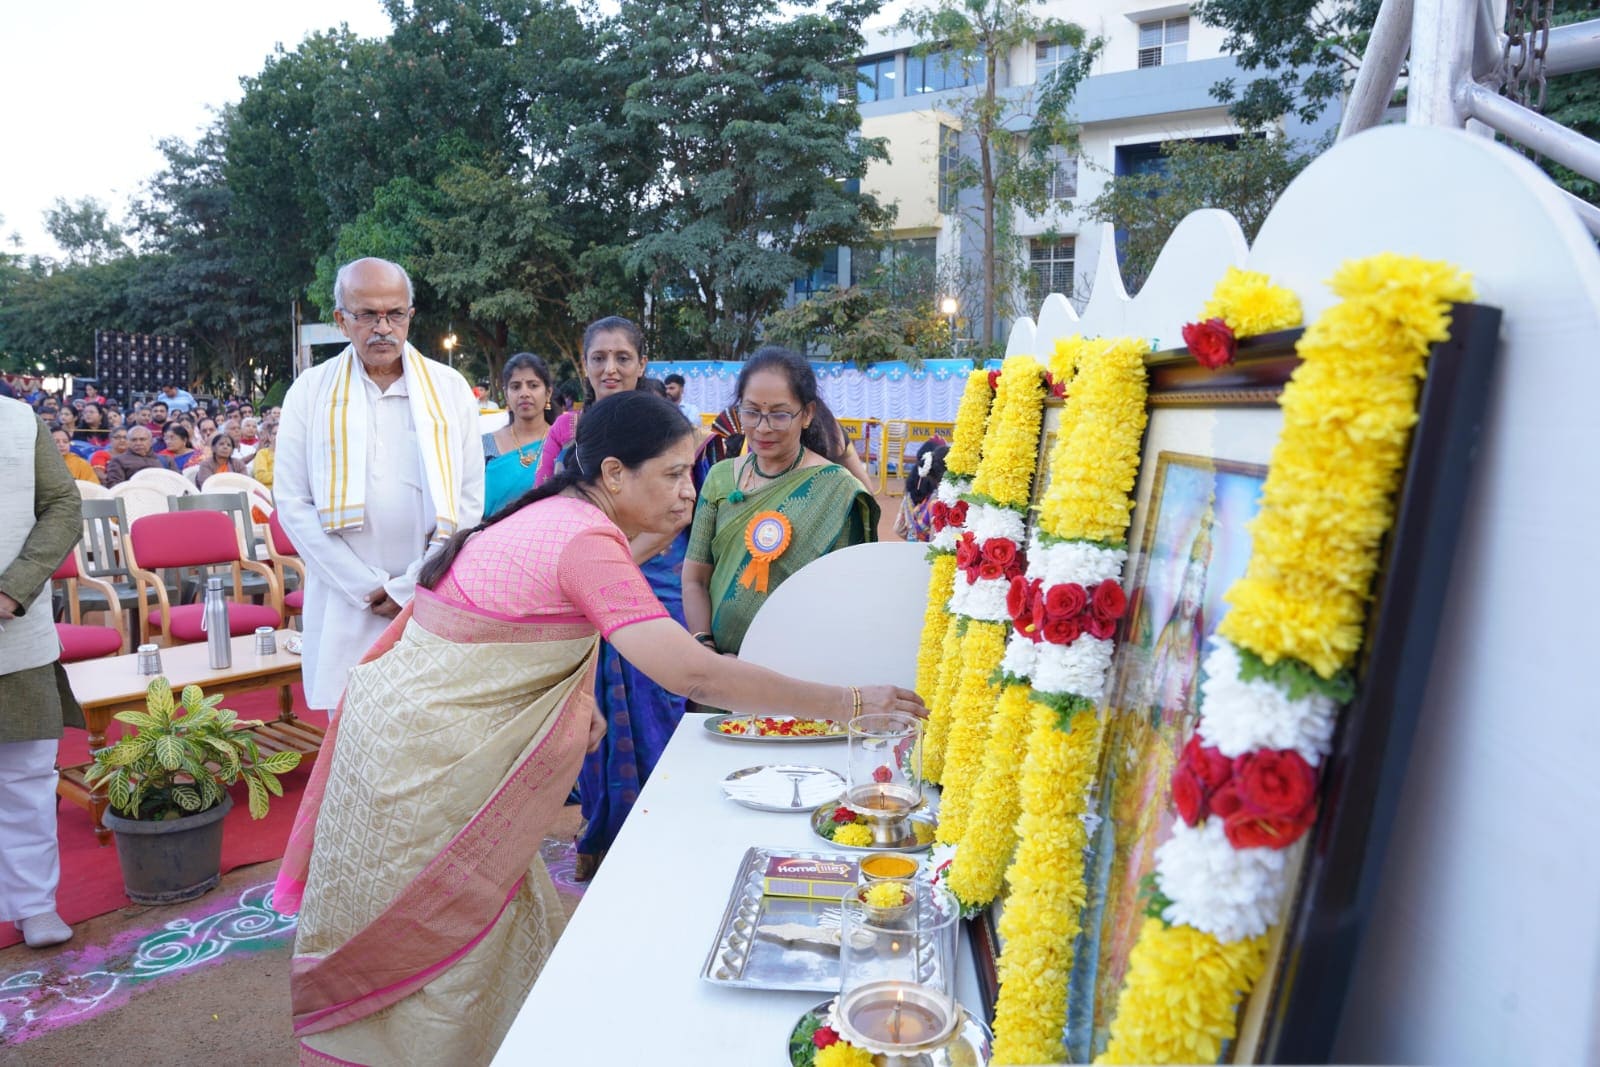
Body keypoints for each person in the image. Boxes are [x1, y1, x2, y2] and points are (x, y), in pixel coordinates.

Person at [274, 391, 924, 1064]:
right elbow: (695, 675)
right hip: (427, 772)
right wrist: (850, 702)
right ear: (615, 473)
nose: (689, 490)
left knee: (485, 935)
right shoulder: (584, 540)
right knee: (439, 960)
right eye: (673, 473)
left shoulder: (563, 515)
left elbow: (562, 607)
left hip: (401, 745)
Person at [274, 257, 484, 711]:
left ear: (411, 315)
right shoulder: (310, 392)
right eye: (367, 314)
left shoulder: (449, 389)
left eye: (395, 314)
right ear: (341, 320)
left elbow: (468, 501)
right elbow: (292, 502)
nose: (383, 328)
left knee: (428, 725)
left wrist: (411, 585)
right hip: (345, 599)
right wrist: (363, 586)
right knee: (351, 727)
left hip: (427, 595)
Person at [530, 318, 684, 880]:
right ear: (585, 363)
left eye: (622, 357)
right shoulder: (568, 432)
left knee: (657, 707)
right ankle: (600, 833)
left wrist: (612, 570)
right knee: (592, 720)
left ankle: (661, 837)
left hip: (651, 583)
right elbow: (546, 505)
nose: (610, 368)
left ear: (642, 363)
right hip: (583, 593)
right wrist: (587, 579)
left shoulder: (664, 427)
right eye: (599, 357)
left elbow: (678, 511)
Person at [683, 346, 880, 658]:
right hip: (717, 667)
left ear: (808, 414)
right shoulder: (720, 478)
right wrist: (706, 648)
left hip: (795, 665)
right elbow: (695, 579)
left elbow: (842, 599)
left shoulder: (838, 491)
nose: (763, 427)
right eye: (751, 412)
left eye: (779, 414)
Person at [0, 396, 85, 949]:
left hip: (13, 631)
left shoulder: (16, 419)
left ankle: (33, 904)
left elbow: (62, 505)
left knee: (25, 775)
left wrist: (15, 588)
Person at [481, 353, 552, 516]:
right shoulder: (486, 444)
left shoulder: (565, 444)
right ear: (506, 395)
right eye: (515, 387)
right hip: (491, 530)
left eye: (533, 385)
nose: (524, 393)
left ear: (548, 393)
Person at [895, 441, 949, 542]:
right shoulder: (938, 500)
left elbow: (898, 528)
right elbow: (934, 541)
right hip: (928, 547)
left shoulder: (910, 489)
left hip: (912, 543)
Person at [102, 425, 175, 486]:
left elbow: (177, 482)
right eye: (134, 440)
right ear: (128, 442)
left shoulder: (166, 460)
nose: (138, 443)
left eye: (142, 439)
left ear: (151, 441)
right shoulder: (118, 461)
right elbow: (115, 487)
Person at [249, 423, 277, 489]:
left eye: (280, 434)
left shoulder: (290, 454)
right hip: (268, 492)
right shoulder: (262, 453)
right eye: (274, 434)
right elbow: (260, 476)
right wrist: (282, 477)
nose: (277, 436)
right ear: (269, 437)